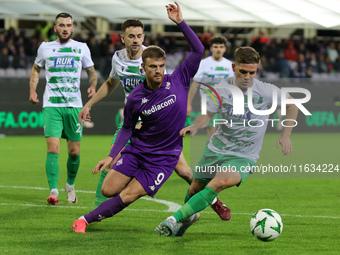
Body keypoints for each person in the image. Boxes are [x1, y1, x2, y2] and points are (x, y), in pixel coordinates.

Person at [78, 9, 229, 221]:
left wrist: (180, 23)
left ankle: (212, 200)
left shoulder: (152, 57)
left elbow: (174, 80)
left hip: (158, 126)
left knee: (184, 172)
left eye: (139, 36)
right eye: (131, 36)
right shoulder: (118, 59)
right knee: (114, 164)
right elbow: (111, 83)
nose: (136, 40)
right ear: (123, 38)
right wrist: (89, 104)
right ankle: (101, 208)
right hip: (134, 121)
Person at [156, 46, 299, 237]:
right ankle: (186, 221)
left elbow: (293, 104)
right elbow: (207, 115)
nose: (247, 77)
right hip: (216, 150)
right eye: (243, 71)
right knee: (195, 188)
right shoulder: (220, 90)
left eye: (252, 72)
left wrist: (286, 134)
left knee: (218, 183)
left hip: (244, 156)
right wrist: (196, 126)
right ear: (233, 67)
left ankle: (172, 220)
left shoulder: (265, 91)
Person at [29, 12, 98, 205]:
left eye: (68, 25)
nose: (65, 28)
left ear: (73, 28)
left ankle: (70, 185)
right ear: (55, 28)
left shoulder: (81, 48)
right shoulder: (45, 48)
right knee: (53, 148)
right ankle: (53, 191)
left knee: (74, 152)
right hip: (52, 105)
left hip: (74, 106)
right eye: (61, 25)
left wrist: (92, 85)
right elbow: (36, 69)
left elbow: (91, 72)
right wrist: (32, 90)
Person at [188, 36, 234, 140]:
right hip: (208, 103)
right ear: (211, 48)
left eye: (221, 47)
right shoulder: (204, 64)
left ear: (225, 49)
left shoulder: (230, 65)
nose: (218, 49)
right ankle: (214, 154)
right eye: (216, 46)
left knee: (224, 134)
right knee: (212, 131)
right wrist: (188, 103)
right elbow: (195, 84)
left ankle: (217, 154)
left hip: (225, 104)